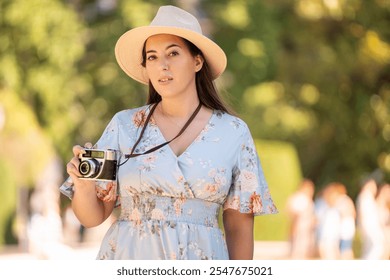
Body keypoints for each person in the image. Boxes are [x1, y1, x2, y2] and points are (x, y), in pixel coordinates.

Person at [64, 5, 277, 260]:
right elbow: (92, 217)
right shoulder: (124, 125)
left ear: (197, 61)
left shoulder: (233, 132)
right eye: (152, 57)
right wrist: (84, 186)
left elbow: (239, 225)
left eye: (173, 53)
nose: (161, 65)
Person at [285, 179, 316, 259]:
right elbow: (295, 214)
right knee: (298, 251)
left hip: (305, 229)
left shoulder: (304, 198)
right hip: (300, 229)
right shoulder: (301, 198)